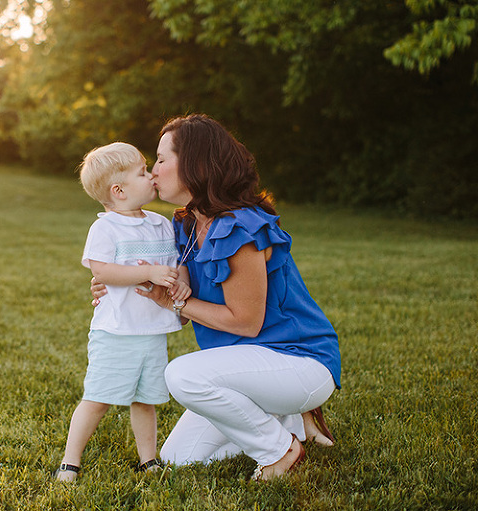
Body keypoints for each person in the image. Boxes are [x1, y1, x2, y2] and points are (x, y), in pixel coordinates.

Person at [91, 114, 340, 481]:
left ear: (194, 164)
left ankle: (280, 450)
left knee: (182, 374)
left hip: (297, 360)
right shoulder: (187, 224)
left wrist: (172, 301)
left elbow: (245, 322)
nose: (154, 170)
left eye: (161, 159)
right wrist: (111, 282)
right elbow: (150, 275)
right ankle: (292, 421)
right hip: (248, 369)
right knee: (180, 458)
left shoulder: (240, 227)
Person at [55, 142, 192, 482]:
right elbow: (102, 272)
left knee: (145, 400)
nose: (151, 176)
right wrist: (147, 273)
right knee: (98, 399)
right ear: (118, 190)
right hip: (116, 332)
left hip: (151, 331)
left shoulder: (160, 224)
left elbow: (177, 261)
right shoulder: (106, 228)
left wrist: (182, 279)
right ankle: (70, 462)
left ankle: (148, 460)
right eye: (143, 172)